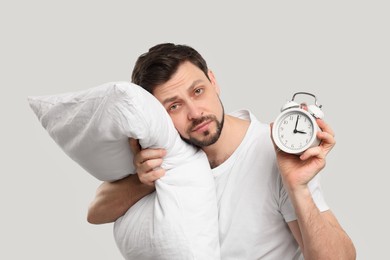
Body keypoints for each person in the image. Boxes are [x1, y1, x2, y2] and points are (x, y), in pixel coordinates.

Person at [87, 43, 356, 259]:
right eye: (174, 106)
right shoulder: (169, 155)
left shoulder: (270, 150)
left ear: (213, 81)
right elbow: (95, 212)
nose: (195, 113)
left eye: (198, 91)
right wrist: (143, 180)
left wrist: (299, 189)